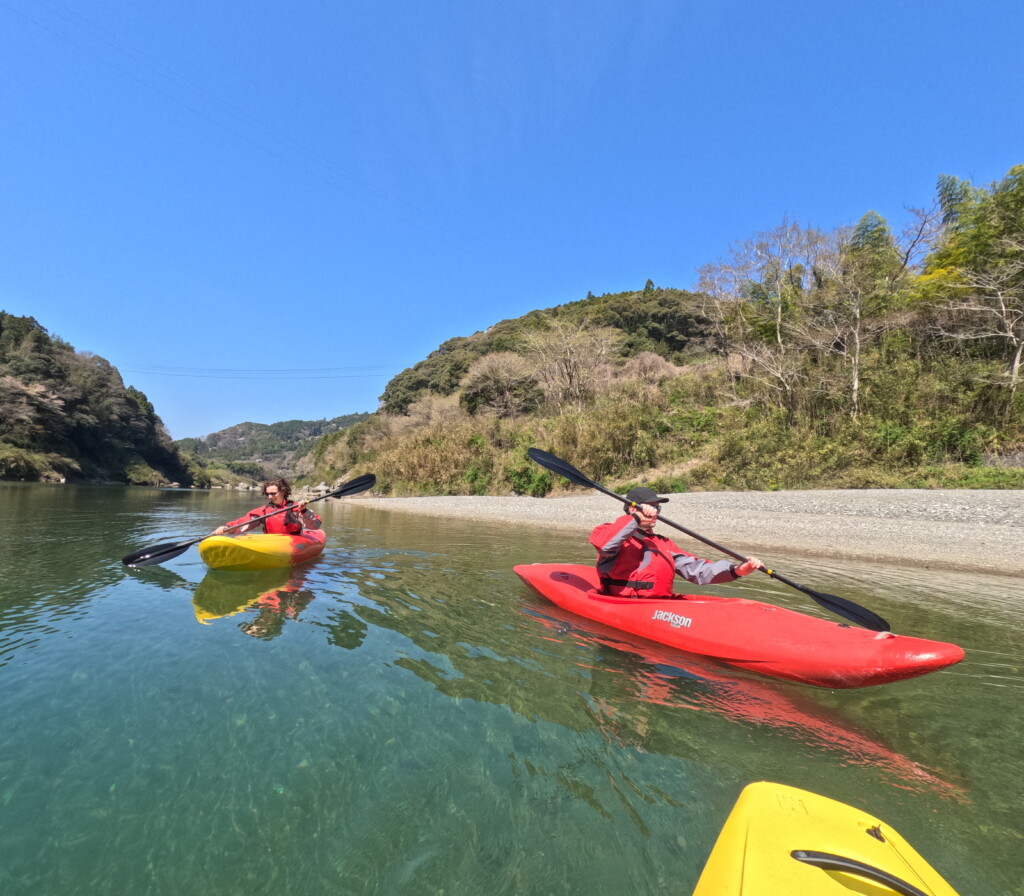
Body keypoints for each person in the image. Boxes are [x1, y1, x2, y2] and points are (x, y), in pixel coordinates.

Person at [589, 486, 764, 597]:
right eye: (652, 507)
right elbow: (606, 544)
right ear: (634, 509)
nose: (656, 512)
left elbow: (697, 570)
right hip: (625, 603)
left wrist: (736, 570)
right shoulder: (609, 532)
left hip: (658, 605)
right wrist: (635, 518)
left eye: (658, 508)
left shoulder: (663, 543)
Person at [213, 478, 322, 536]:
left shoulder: (296, 507)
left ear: (283, 491)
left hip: (292, 542)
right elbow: (245, 522)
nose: (270, 497)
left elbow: (314, 526)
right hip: (271, 542)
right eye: (267, 494)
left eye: (273, 493)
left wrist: (304, 511)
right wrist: (227, 528)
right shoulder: (264, 511)